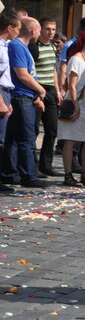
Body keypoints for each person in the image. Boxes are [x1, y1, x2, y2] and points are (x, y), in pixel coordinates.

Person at [0, 16, 48, 188]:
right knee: (26, 138)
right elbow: (22, 74)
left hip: (22, 96)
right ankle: (28, 174)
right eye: (40, 29)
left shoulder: (22, 47)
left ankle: (9, 173)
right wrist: (40, 89)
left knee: (12, 138)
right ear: (34, 30)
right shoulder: (17, 46)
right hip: (20, 96)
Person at [58, 30, 85, 187]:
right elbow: (72, 85)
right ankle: (68, 174)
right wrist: (76, 106)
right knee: (70, 139)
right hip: (75, 103)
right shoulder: (75, 60)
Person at [29, 16, 61, 177]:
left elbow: (54, 70)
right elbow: (30, 71)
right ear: (41, 29)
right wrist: (37, 93)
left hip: (50, 92)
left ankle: (46, 165)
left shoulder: (54, 47)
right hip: (37, 91)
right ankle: (32, 165)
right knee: (33, 130)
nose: (51, 32)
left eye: (53, 29)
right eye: (48, 29)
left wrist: (58, 90)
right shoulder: (34, 47)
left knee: (52, 130)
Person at [0, 11, 20, 193]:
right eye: (17, 29)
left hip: (6, 92)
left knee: (3, 138)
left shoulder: (5, 46)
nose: (18, 33)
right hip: (1, 92)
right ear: (9, 28)